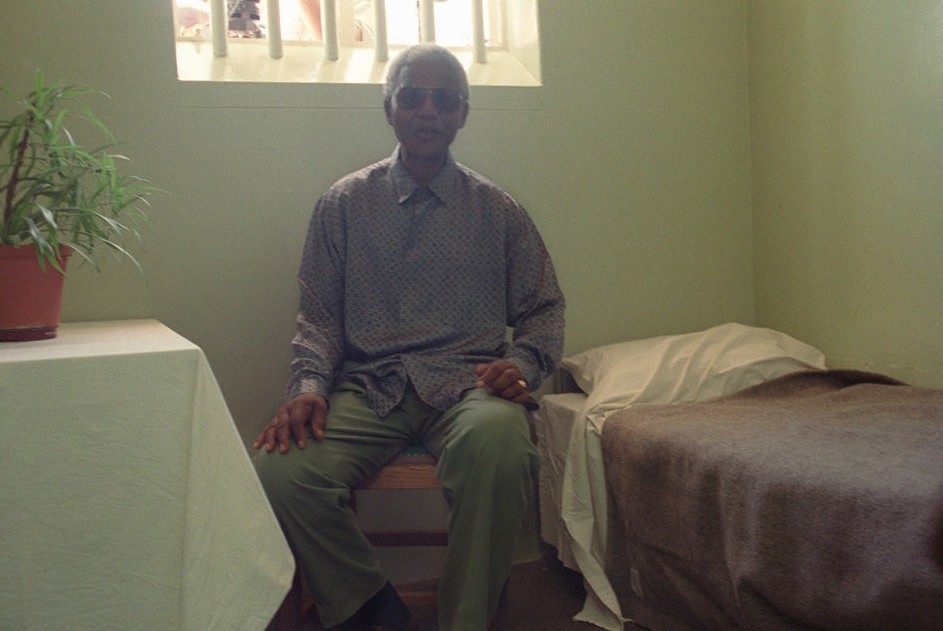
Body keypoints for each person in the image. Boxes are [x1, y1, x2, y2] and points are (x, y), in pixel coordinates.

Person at [253, 44, 565, 631]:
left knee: (502, 447)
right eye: (412, 96)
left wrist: (520, 365)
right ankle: (369, 610)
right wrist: (308, 387)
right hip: (369, 388)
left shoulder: (499, 211)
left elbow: (544, 311)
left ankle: (466, 619)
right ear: (389, 108)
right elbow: (318, 318)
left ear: (462, 114)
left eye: (445, 100)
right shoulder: (343, 205)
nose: (428, 110)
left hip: (468, 388)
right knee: (282, 471)